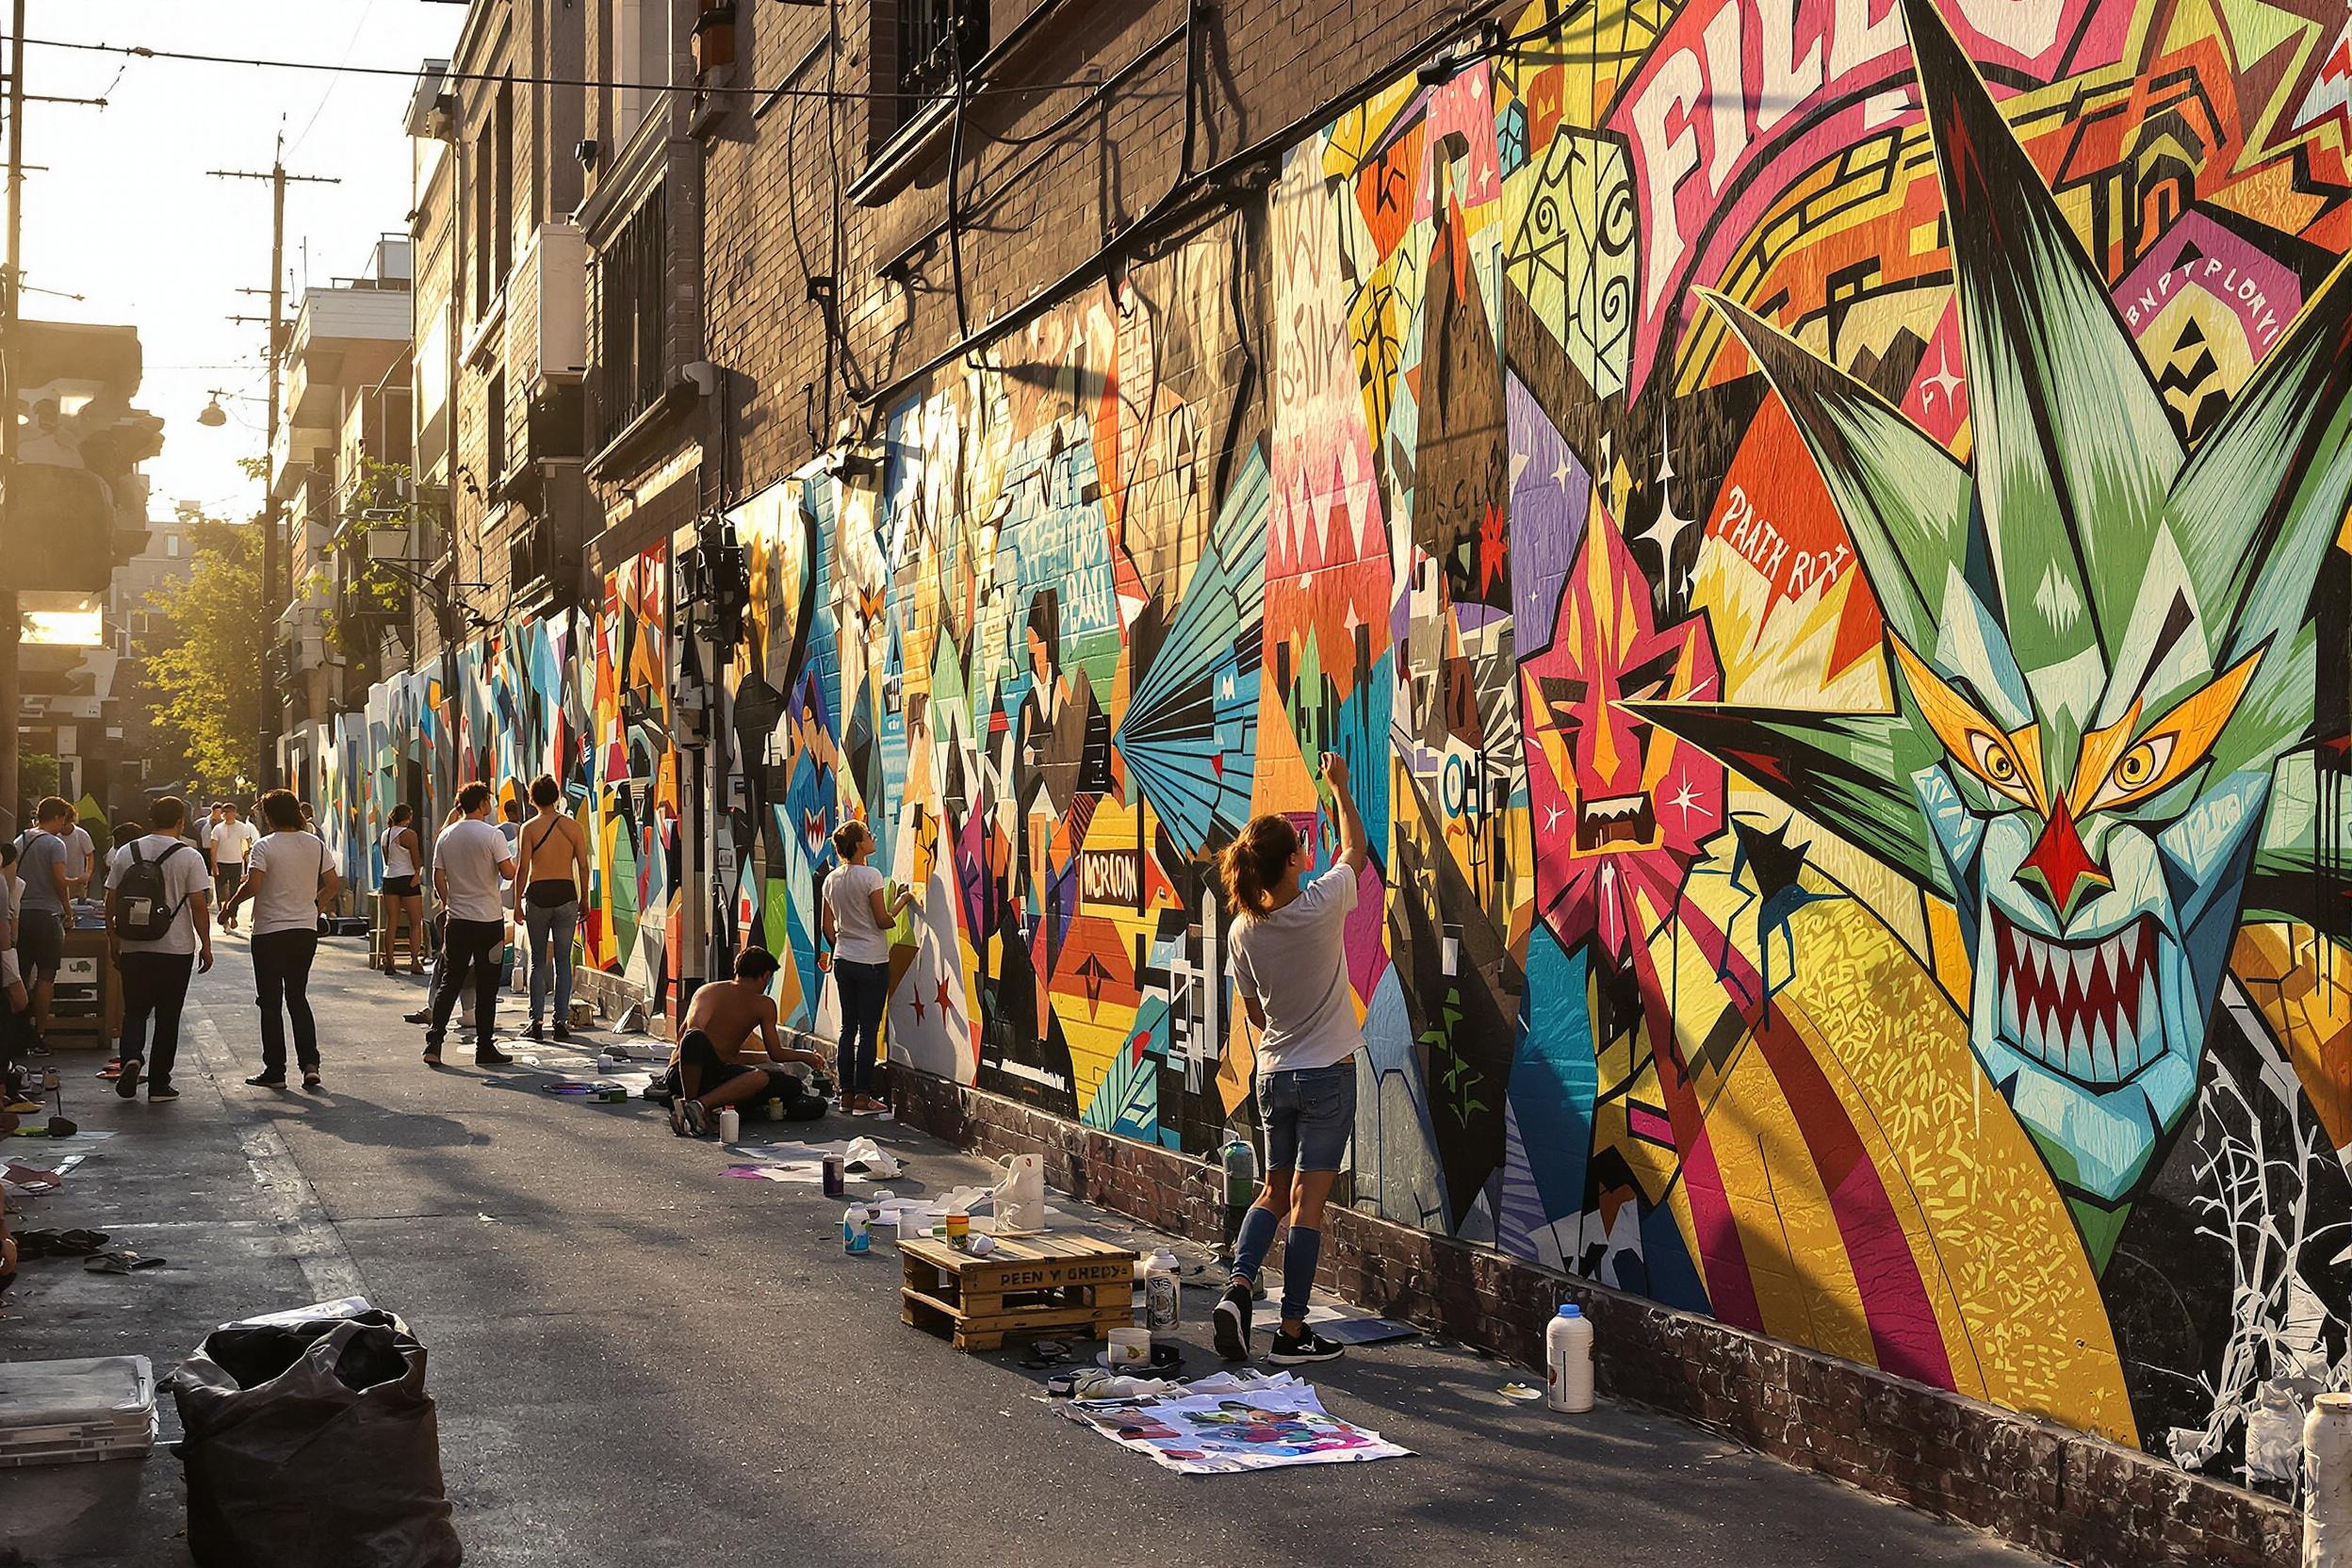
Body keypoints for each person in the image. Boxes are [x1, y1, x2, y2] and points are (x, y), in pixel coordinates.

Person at [1211, 751, 1369, 1367]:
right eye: (1300, 846)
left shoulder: (1242, 931)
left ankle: (1239, 1287)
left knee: (1272, 1192)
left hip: (1274, 1075)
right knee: (1308, 1203)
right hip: (1329, 1071)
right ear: (1291, 862)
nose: (1310, 851)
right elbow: (1355, 850)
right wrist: (1339, 787)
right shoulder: (1323, 903)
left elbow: (1253, 1014)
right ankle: (1293, 1333)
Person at [221, 790, 340, 1091]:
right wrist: (315, 904)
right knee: (298, 997)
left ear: (270, 815)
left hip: (270, 932)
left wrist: (230, 905)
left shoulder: (264, 846)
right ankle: (310, 1064)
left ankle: (275, 1069)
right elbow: (333, 884)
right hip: (304, 931)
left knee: (270, 1002)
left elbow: (254, 885)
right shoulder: (315, 844)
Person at [103, 796, 213, 1102]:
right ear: (181, 821)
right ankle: (160, 1085)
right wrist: (206, 944)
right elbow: (199, 905)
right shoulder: (189, 856)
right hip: (175, 949)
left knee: (135, 1010)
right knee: (168, 1015)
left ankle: (132, 1060)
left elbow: (111, 898)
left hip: (134, 946)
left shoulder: (128, 851)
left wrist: (114, 937)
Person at [666, 947, 828, 1136]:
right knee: (696, 1040)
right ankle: (693, 1103)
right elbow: (692, 1037)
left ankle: (697, 1107)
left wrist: (775, 1061)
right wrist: (804, 1056)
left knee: (781, 1083)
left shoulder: (707, 991)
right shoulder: (760, 1004)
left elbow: (724, 1054)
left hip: (701, 1074)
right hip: (687, 1075)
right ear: (766, 976)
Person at [820, 820, 911, 1116]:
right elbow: (883, 921)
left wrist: (844, 944)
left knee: (848, 1028)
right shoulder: (871, 875)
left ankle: (846, 1095)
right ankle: (863, 1097)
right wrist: (900, 902)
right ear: (859, 844)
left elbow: (826, 928)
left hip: (843, 960)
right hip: (871, 961)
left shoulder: (831, 879)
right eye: (869, 835)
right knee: (869, 1030)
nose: (873, 837)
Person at [421, 781, 514, 1068]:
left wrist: (449, 900)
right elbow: (508, 872)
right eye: (489, 800)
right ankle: (484, 1047)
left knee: (451, 980)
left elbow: (438, 876)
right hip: (488, 920)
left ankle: (434, 1042)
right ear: (483, 803)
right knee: (487, 986)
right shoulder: (492, 835)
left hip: (457, 920)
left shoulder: (446, 836)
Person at [511, 775, 588, 1041]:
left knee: (537, 961)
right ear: (556, 797)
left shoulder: (529, 828)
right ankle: (561, 1022)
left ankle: (536, 1022)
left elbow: (522, 869)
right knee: (564, 961)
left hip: (539, 893)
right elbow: (583, 865)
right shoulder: (573, 827)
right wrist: (584, 898)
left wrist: (516, 903)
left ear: (532, 798)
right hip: (566, 892)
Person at [14, 797, 74, 1051]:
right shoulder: (55, 844)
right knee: (46, 976)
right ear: (59, 817)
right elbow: (59, 881)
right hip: (47, 916)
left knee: (21, 974)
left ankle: (16, 1033)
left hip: (20, 915)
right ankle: (39, 1035)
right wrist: (68, 911)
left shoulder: (20, 840)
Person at [379, 804, 427, 974]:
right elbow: (416, 859)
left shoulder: (386, 834)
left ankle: (389, 960)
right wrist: (417, 874)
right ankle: (414, 961)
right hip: (407, 878)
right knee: (415, 922)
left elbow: (387, 859)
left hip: (389, 878)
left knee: (391, 921)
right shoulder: (409, 835)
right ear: (408, 817)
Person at [210, 803, 257, 923]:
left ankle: (233, 916)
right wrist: (214, 864)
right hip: (221, 863)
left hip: (236, 862)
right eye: (227, 813)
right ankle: (223, 913)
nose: (229, 815)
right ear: (223, 814)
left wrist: (246, 855)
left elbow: (246, 842)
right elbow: (214, 847)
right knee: (221, 891)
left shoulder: (242, 827)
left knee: (234, 891)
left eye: (232, 812)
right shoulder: (218, 829)